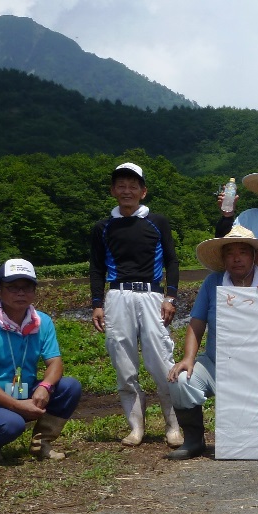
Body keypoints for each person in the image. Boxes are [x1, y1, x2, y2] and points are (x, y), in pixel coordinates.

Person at [165, 226, 258, 460]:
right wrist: (188, 359)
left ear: (254, 256)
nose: (236, 258)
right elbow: (197, 323)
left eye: (243, 252)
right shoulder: (212, 283)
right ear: (223, 258)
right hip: (217, 364)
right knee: (181, 380)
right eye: (230, 253)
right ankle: (194, 440)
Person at [90, 162, 181, 447]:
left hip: (152, 296)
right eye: (121, 185)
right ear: (112, 191)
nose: (126, 190)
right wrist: (96, 303)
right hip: (117, 296)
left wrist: (170, 296)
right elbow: (96, 268)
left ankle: (173, 425)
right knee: (123, 362)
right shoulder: (103, 227)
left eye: (133, 186)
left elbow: (172, 260)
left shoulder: (156, 221)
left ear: (143, 191)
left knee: (161, 359)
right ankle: (136, 427)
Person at [0, 259, 82, 464]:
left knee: (69, 387)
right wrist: (17, 405)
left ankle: (41, 443)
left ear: (34, 291)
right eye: (12, 287)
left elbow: (55, 362)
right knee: (11, 424)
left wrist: (44, 386)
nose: (20, 293)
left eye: (27, 287)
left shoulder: (42, 322)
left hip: (22, 391)